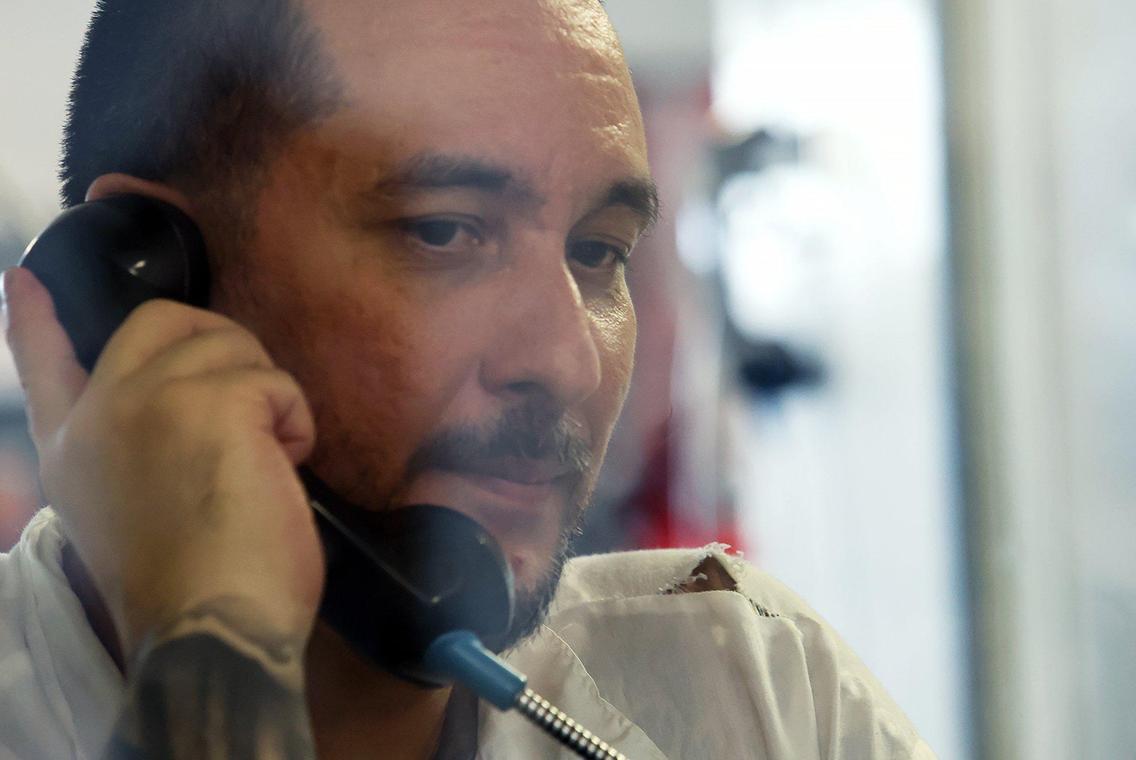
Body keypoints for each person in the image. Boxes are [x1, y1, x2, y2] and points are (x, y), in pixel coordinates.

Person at [0, 0, 936, 757]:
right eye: (443, 233)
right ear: (153, 284)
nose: (566, 363)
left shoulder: (754, 694)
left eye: (598, 252)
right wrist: (212, 649)